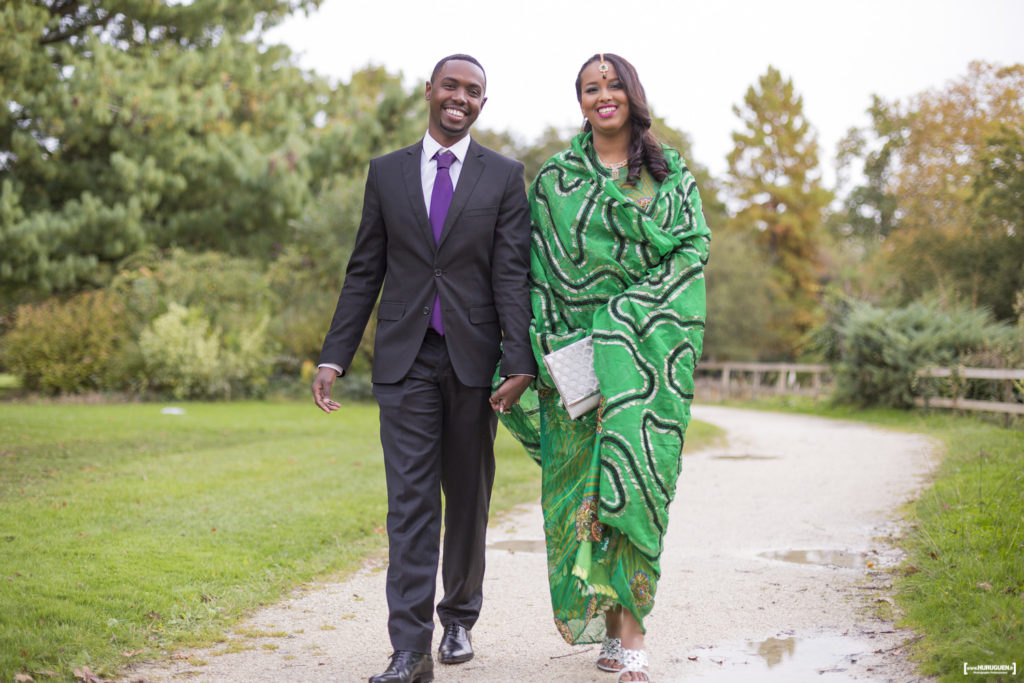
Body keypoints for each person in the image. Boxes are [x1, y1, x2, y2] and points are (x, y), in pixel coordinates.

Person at [312, 54, 535, 683]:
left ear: (482, 104)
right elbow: (365, 270)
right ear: (430, 91)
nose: (460, 97)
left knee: (467, 496)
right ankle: (409, 650)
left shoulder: (504, 177)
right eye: (451, 86)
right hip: (404, 359)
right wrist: (334, 354)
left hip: (474, 361)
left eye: (473, 91)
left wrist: (517, 360)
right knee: (408, 503)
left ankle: (459, 617)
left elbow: (511, 274)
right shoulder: (385, 174)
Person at [494, 53, 711, 683]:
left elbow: (692, 254)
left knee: (633, 485)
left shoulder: (670, 178)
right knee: (579, 500)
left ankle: (632, 632)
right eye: (591, 88)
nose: (603, 95)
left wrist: (622, 320)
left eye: (613, 84)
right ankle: (605, 622)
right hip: (573, 368)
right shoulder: (557, 181)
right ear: (581, 102)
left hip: (642, 366)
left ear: (632, 94)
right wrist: (535, 351)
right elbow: (536, 274)